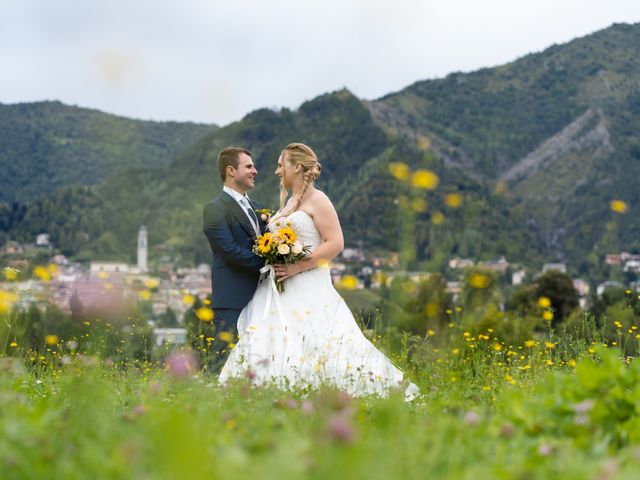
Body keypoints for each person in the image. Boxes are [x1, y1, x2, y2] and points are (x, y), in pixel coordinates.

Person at [219, 143, 419, 400]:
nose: (277, 171)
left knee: (321, 341)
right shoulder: (290, 201)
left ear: (297, 167)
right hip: (279, 288)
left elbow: (335, 243)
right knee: (274, 342)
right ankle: (272, 395)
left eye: (281, 165)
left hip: (307, 285)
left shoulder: (318, 199)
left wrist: (298, 265)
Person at [202, 147, 265, 373]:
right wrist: (268, 264)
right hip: (232, 298)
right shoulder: (214, 209)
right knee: (222, 360)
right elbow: (229, 250)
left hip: (263, 297)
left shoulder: (258, 208)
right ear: (231, 170)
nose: (255, 171)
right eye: (249, 166)